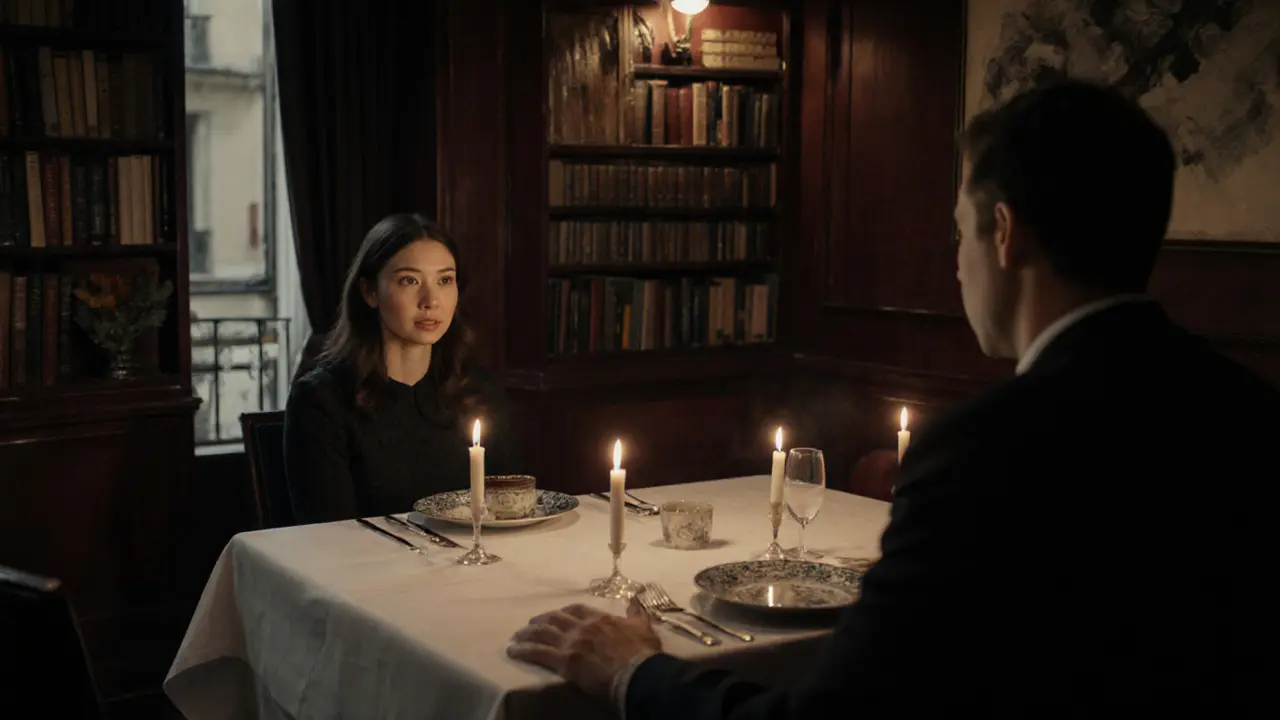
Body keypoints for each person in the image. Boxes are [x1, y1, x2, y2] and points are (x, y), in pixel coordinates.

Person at [506, 80, 1278, 715]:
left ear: (1003, 234)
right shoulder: (1250, 412)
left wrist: (633, 673)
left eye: (959, 233)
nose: (956, 265)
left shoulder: (986, 450)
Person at [284, 213, 523, 523]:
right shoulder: (321, 401)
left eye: (444, 280)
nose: (430, 300)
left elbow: (513, 511)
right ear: (370, 292)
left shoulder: (480, 392)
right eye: (409, 281)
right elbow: (328, 537)